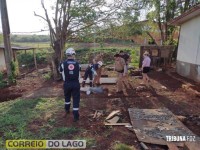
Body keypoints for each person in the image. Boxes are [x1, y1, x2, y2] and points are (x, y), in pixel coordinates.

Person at [59, 47, 80, 122]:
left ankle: (67, 110)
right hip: (75, 83)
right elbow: (79, 72)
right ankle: (76, 116)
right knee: (76, 99)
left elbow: (60, 72)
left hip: (67, 83)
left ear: (67, 54)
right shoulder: (77, 63)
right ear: (73, 54)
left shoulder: (62, 64)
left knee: (67, 97)